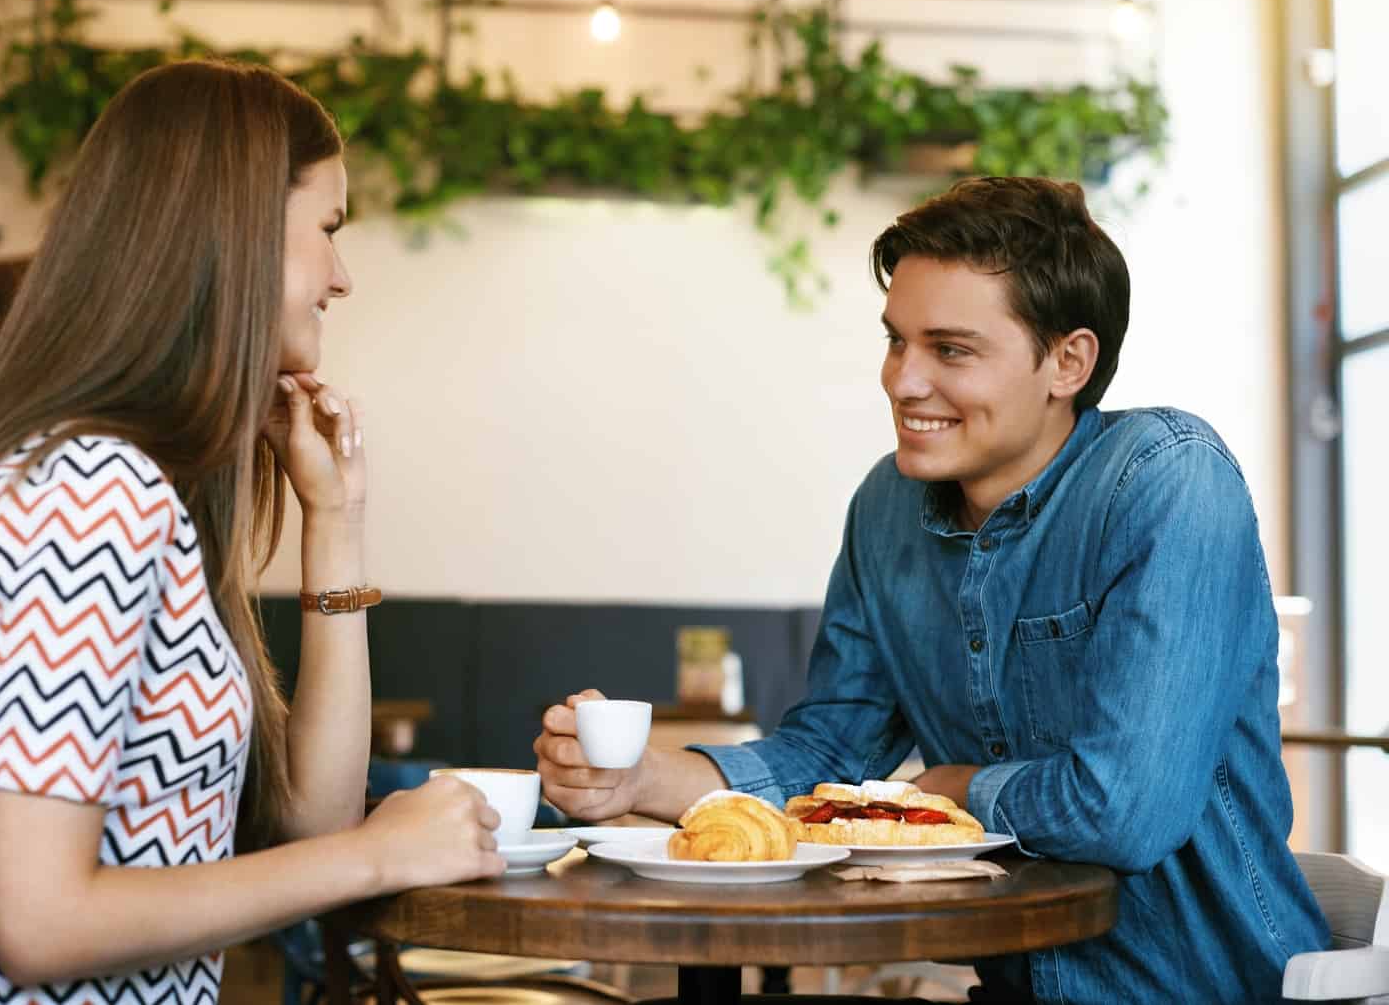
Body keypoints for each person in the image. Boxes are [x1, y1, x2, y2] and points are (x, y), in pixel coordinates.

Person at [536, 177, 1329, 1004]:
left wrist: (952, 788)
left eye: (950, 350)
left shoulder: (1166, 478)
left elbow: (1123, 810)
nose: (903, 382)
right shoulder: (888, 509)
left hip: (1212, 989)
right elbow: (831, 759)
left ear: (1068, 361)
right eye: (896, 341)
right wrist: (644, 781)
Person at [0, 60, 505, 1003]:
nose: (343, 279)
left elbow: (311, 819)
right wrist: (378, 857)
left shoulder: (133, 485)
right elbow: (41, 923)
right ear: (233, 236)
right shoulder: (90, 489)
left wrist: (335, 522)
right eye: (329, 231)